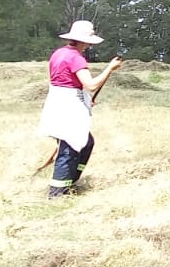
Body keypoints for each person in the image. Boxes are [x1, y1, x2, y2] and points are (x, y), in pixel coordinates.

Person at [37, 20, 123, 198]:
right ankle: (57, 192)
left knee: (86, 143)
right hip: (68, 107)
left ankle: (71, 181)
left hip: (57, 102)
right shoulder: (76, 58)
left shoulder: (58, 53)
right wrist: (109, 68)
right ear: (85, 41)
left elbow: (65, 83)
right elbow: (91, 85)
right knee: (71, 147)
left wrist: (83, 100)